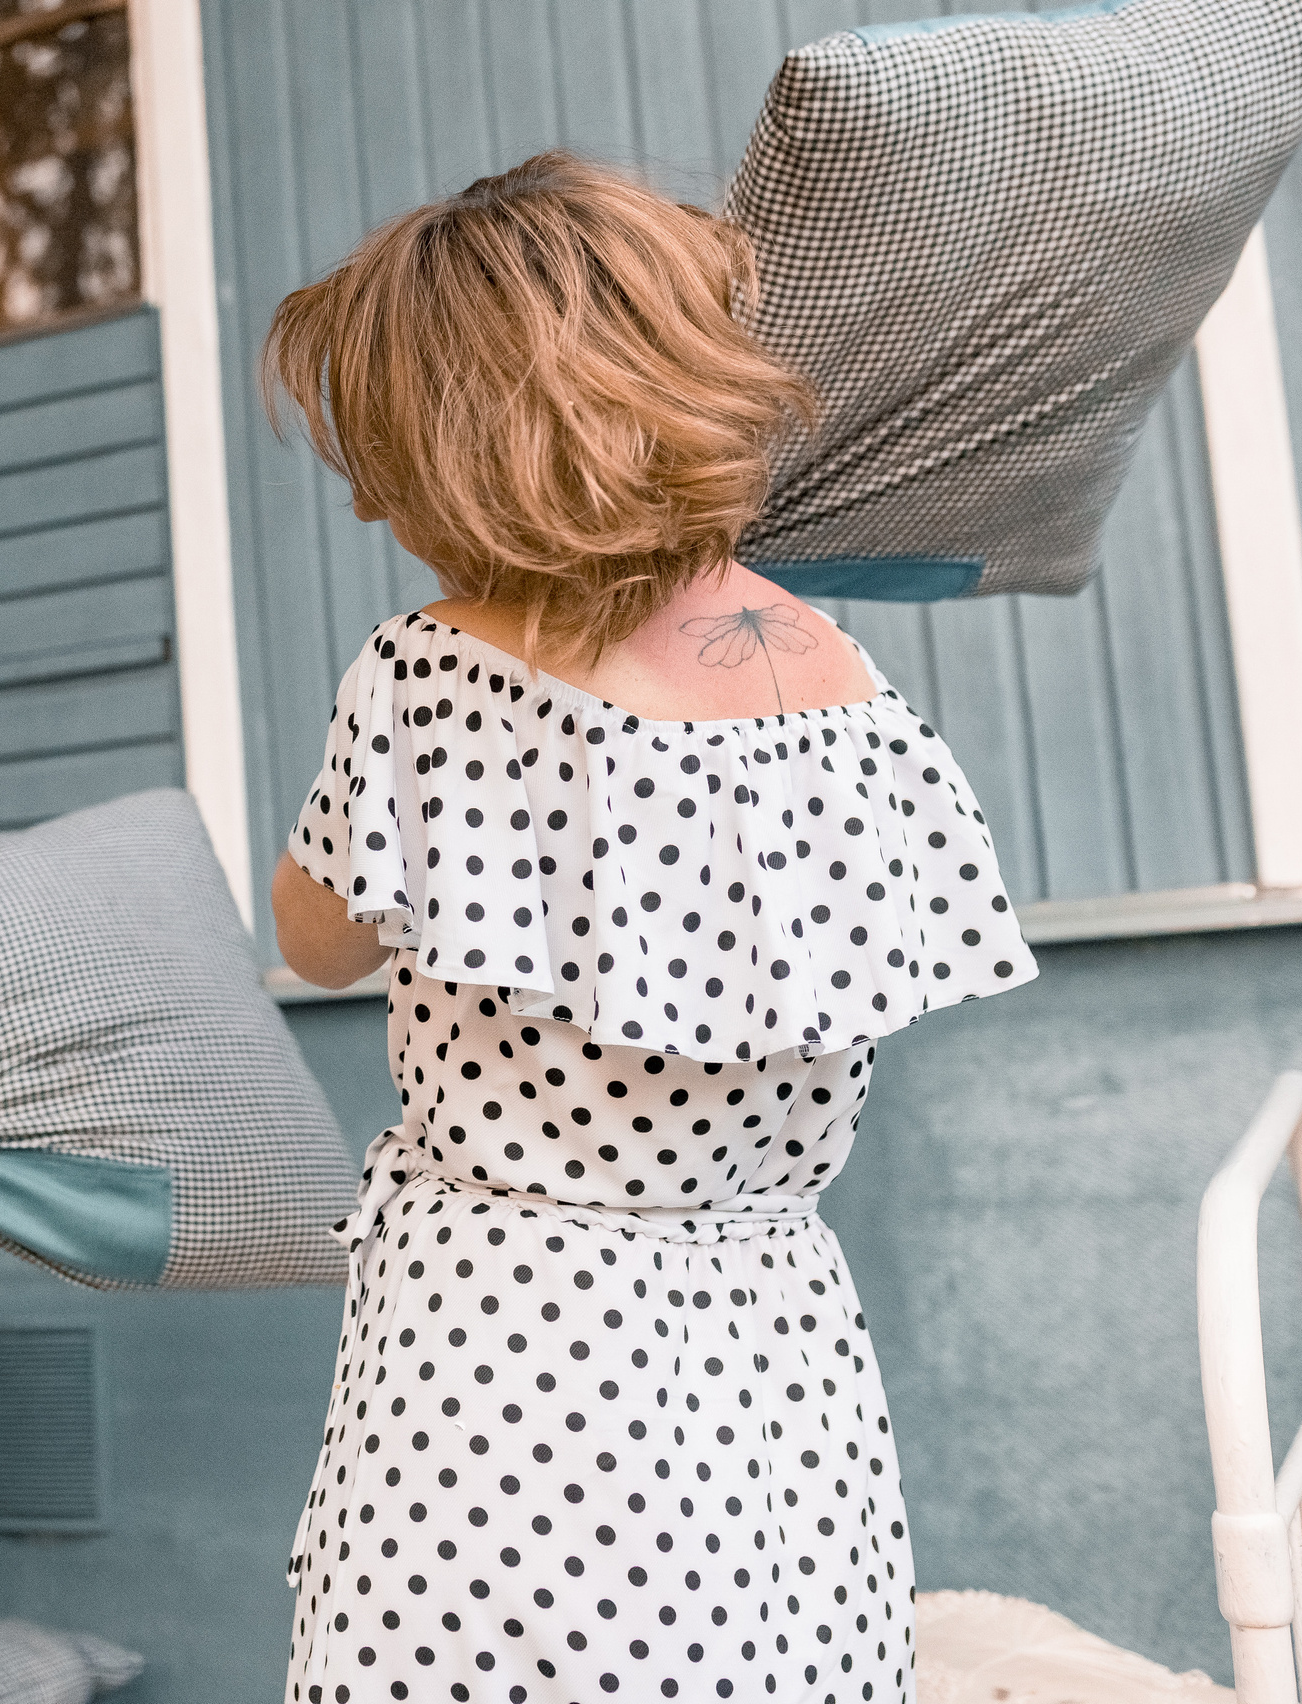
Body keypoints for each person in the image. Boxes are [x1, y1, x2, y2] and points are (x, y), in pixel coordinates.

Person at [264, 152, 1035, 1704]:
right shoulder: (830, 669)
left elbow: (315, 940)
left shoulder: (425, 675)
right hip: (770, 1332)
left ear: (452, 452)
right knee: (770, 1658)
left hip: (504, 1330)